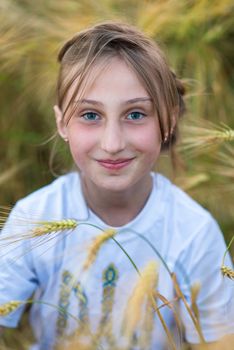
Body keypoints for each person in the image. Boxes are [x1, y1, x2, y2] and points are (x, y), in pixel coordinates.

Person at [0, 21, 233, 350]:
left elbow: (220, 343)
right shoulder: (35, 218)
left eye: (136, 114)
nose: (112, 143)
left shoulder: (193, 234)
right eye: (90, 115)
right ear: (61, 123)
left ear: (167, 120)